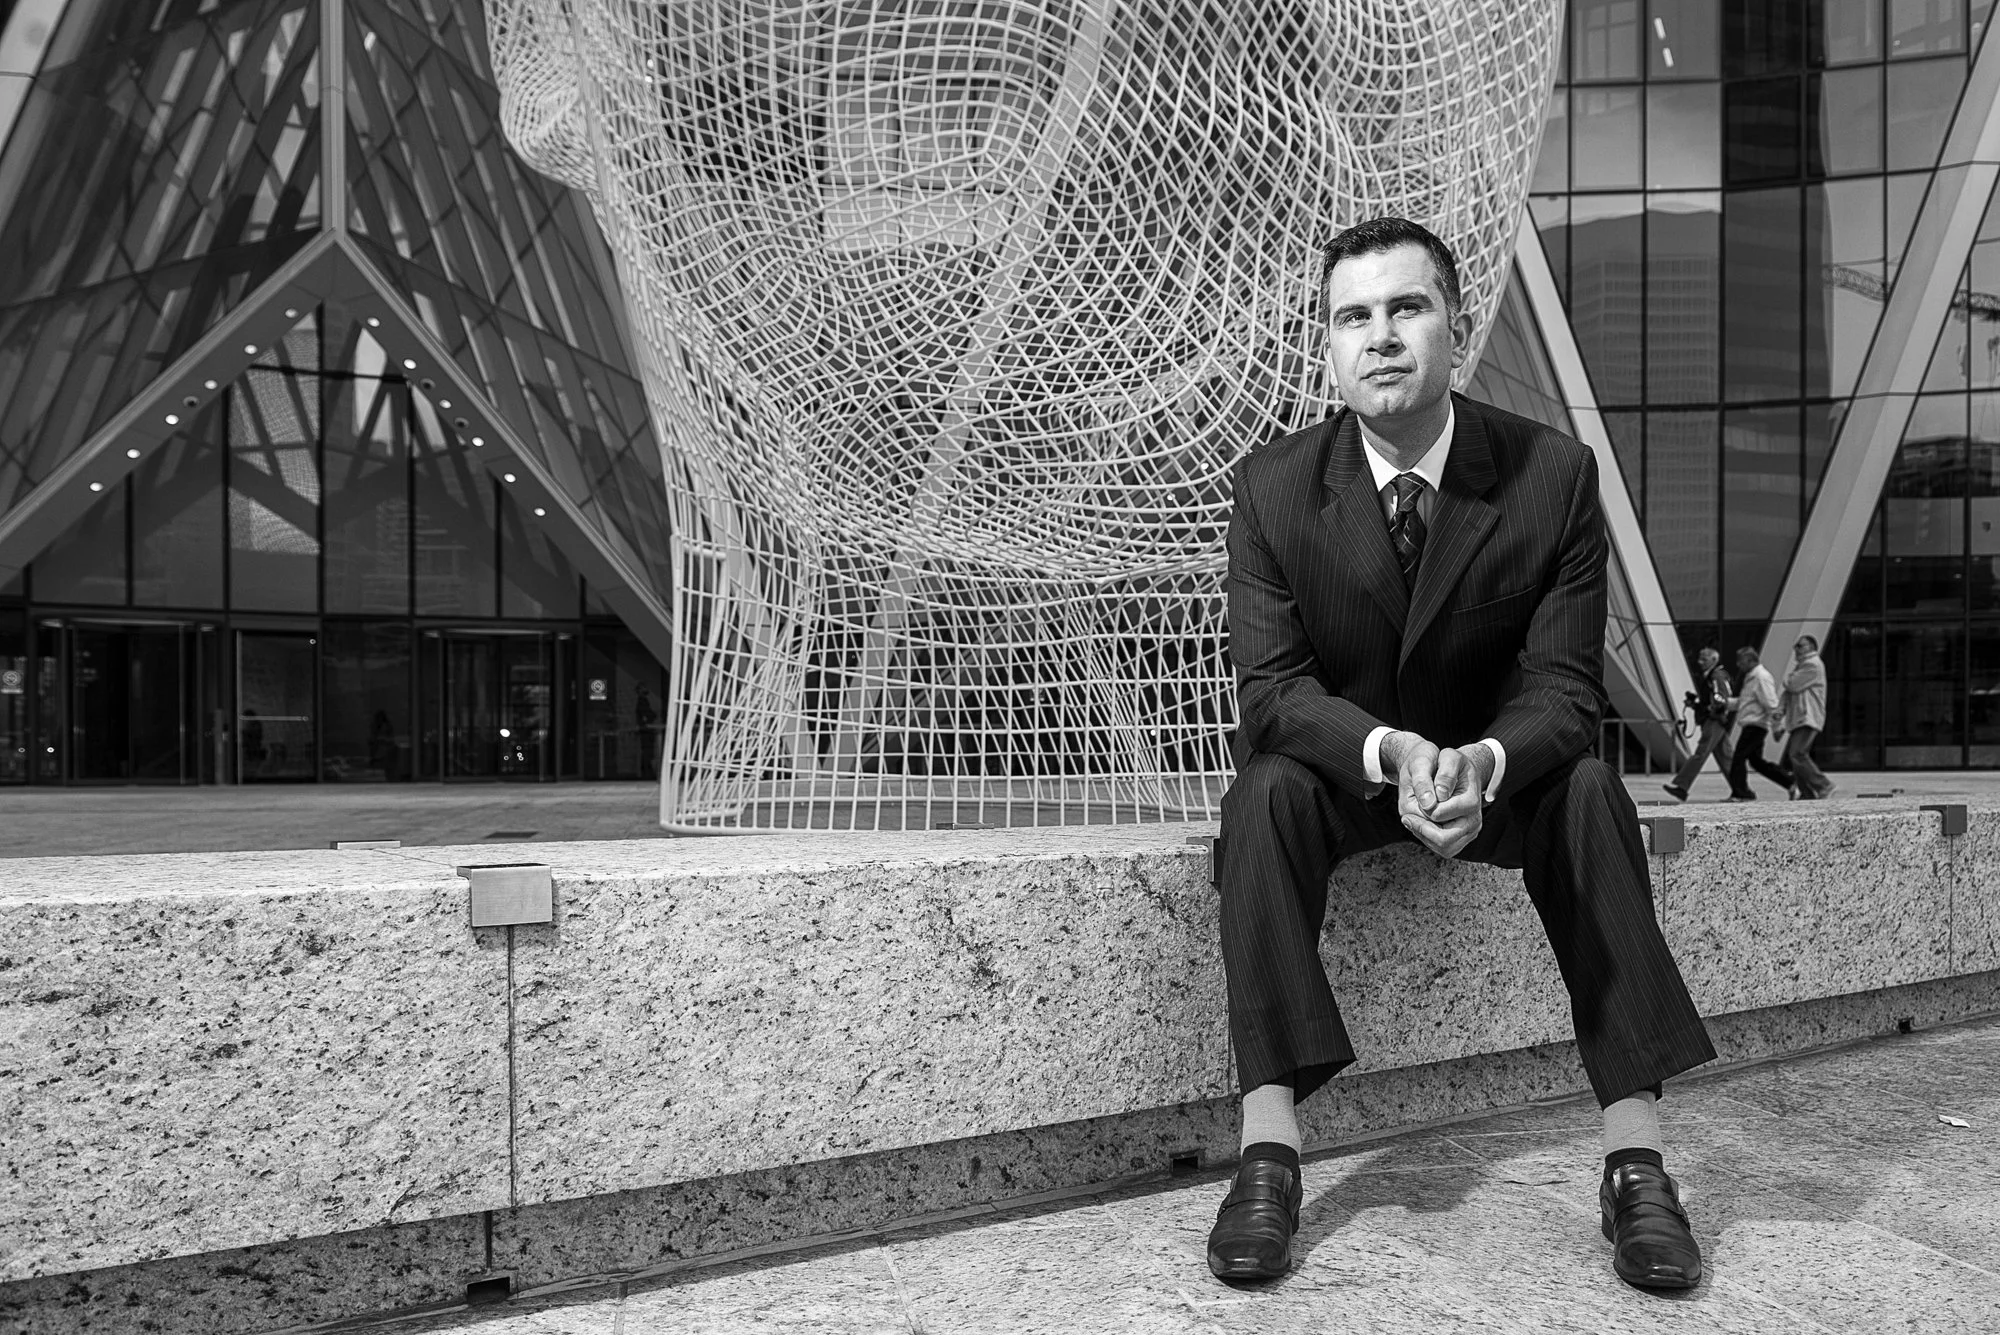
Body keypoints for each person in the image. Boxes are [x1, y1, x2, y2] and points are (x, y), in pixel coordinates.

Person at [1213, 217, 1716, 1292]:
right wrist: (1392, 756)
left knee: (1588, 789)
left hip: (1496, 780)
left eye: (1406, 308)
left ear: (1458, 324)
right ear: (1328, 348)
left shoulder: (1550, 475)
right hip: (1353, 775)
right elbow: (1272, 694)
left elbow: (1565, 694)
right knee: (1259, 794)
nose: (1380, 335)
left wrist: (1482, 762)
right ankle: (1266, 1154)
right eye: (1353, 317)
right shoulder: (1270, 489)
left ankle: (1634, 1163)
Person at [1662, 647, 1735, 801]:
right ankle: (1741, 790)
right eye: (1700, 658)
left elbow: (1722, 698)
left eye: (1705, 659)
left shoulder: (1716, 676)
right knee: (1725, 757)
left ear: (1714, 660)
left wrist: (1709, 708)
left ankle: (1682, 786)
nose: (1700, 662)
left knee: (1700, 754)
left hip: (1714, 721)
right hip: (1715, 720)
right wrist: (1695, 705)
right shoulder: (1712, 676)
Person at [1726, 646, 1793, 800]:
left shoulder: (1761, 677)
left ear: (1751, 660)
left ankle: (1742, 793)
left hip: (1756, 725)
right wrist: (1726, 703)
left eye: (1741, 661)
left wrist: (1777, 726)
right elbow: (1746, 702)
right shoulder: (1751, 677)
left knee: (1739, 758)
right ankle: (1790, 782)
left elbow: (1771, 703)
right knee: (1757, 763)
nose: (1738, 665)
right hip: (1752, 724)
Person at [1779, 635, 1834, 799]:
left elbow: (1792, 685)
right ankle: (1806, 793)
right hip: (1801, 717)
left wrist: (1788, 678)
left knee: (1797, 753)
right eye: (1796, 646)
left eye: (1800, 646)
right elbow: (1789, 692)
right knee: (1796, 756)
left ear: (1811, 647)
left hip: (1808, 716)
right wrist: (1779, 712)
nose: (1796, 649)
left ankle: (1823, 784)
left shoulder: (1812, 665)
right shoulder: (1802, 666)